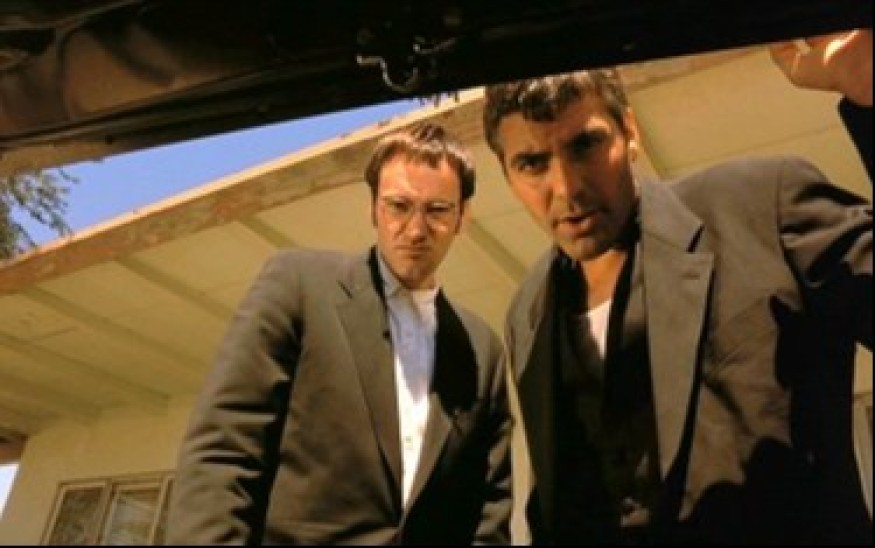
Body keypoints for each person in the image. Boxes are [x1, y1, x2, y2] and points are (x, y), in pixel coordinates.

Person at [482, 29, 872, 545]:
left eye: (586, 145)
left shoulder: (760, 206)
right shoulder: (528, 310)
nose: (568, 188)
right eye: (532, 163)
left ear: (630, 132)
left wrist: (869, 87)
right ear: (506, 175)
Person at [166, 122, 513, 544]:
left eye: (437, 210)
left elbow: (488, 511)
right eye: (398, 206)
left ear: (463, 217)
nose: (416, 230)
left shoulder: (483, 350)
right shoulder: (298, 285)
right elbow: (224, 451)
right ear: (373, 209)